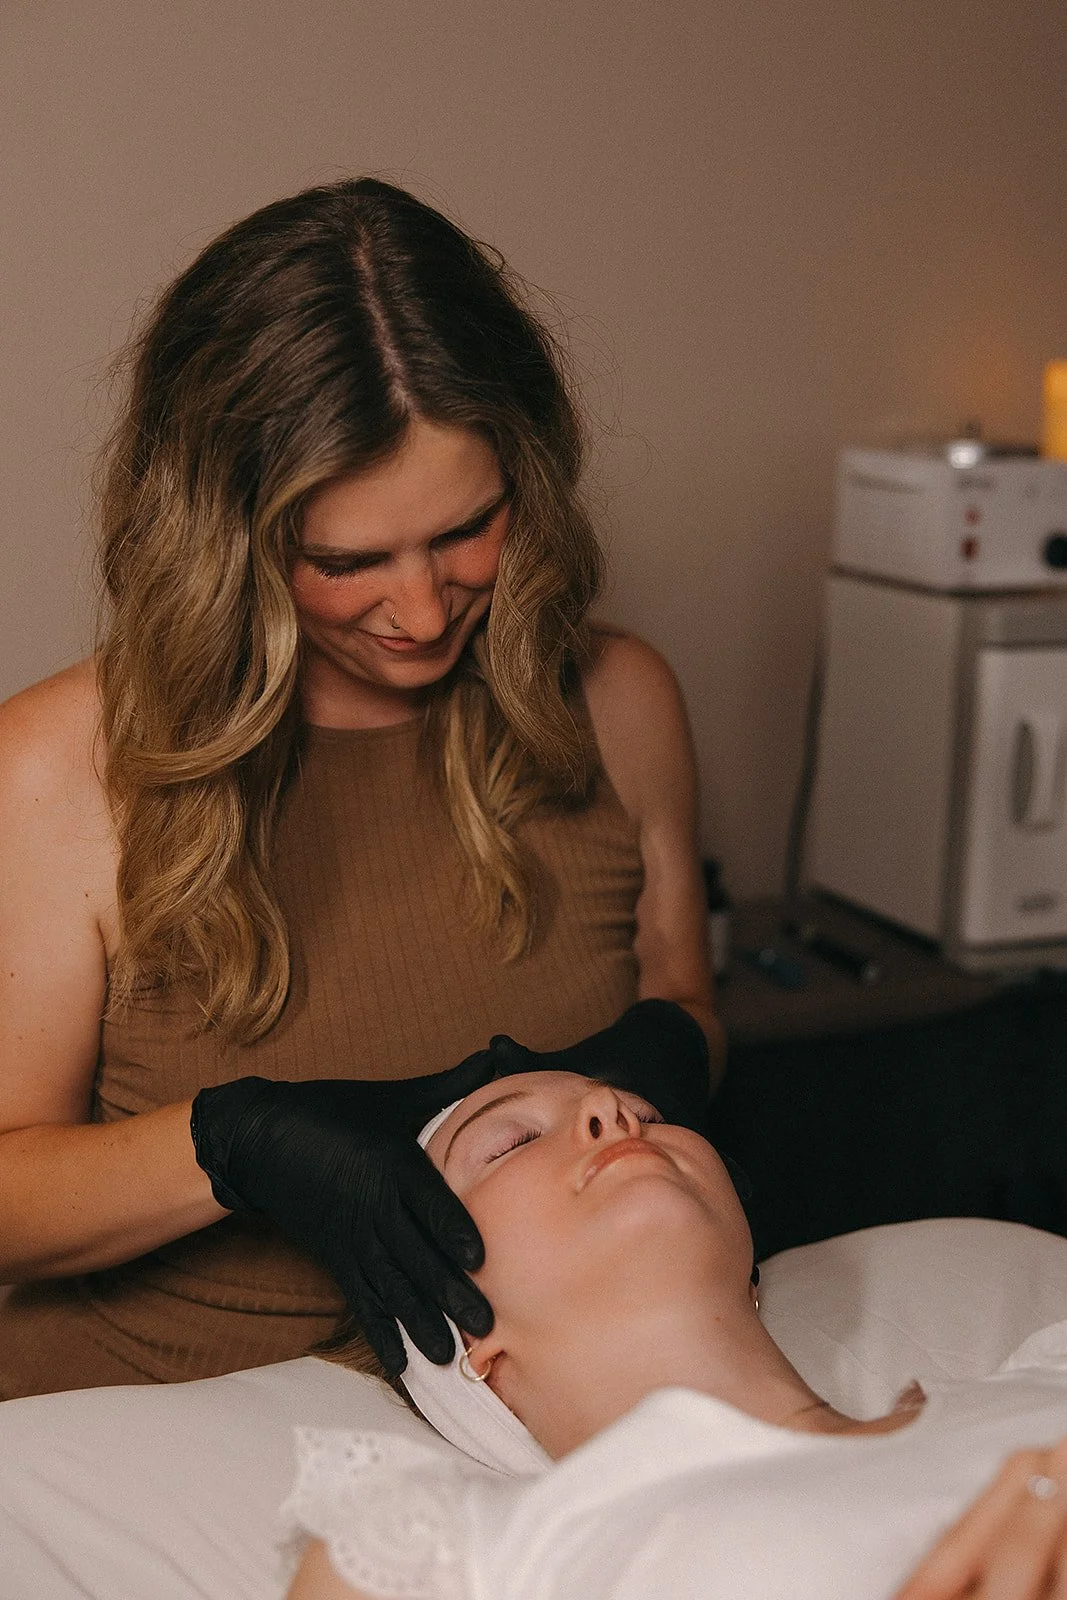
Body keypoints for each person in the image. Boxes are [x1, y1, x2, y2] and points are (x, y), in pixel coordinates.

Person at [0, 177, 720, 1398]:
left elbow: (684, 998)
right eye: (347, 559)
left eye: (464, 531)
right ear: (222, 536)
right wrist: (233, 1147)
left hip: (531, 1423)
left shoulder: (618, 700)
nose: (424, 609)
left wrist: (655, 1054)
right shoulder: (59, 767)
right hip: (162, 1435)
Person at [284, 1067, 1067, 1600]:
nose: (613, 1113)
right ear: (462, 1344)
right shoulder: (461, 1555)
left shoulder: (1047, 1375)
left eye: (648, 1115)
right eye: (510, 1143)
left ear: (751, 1272)